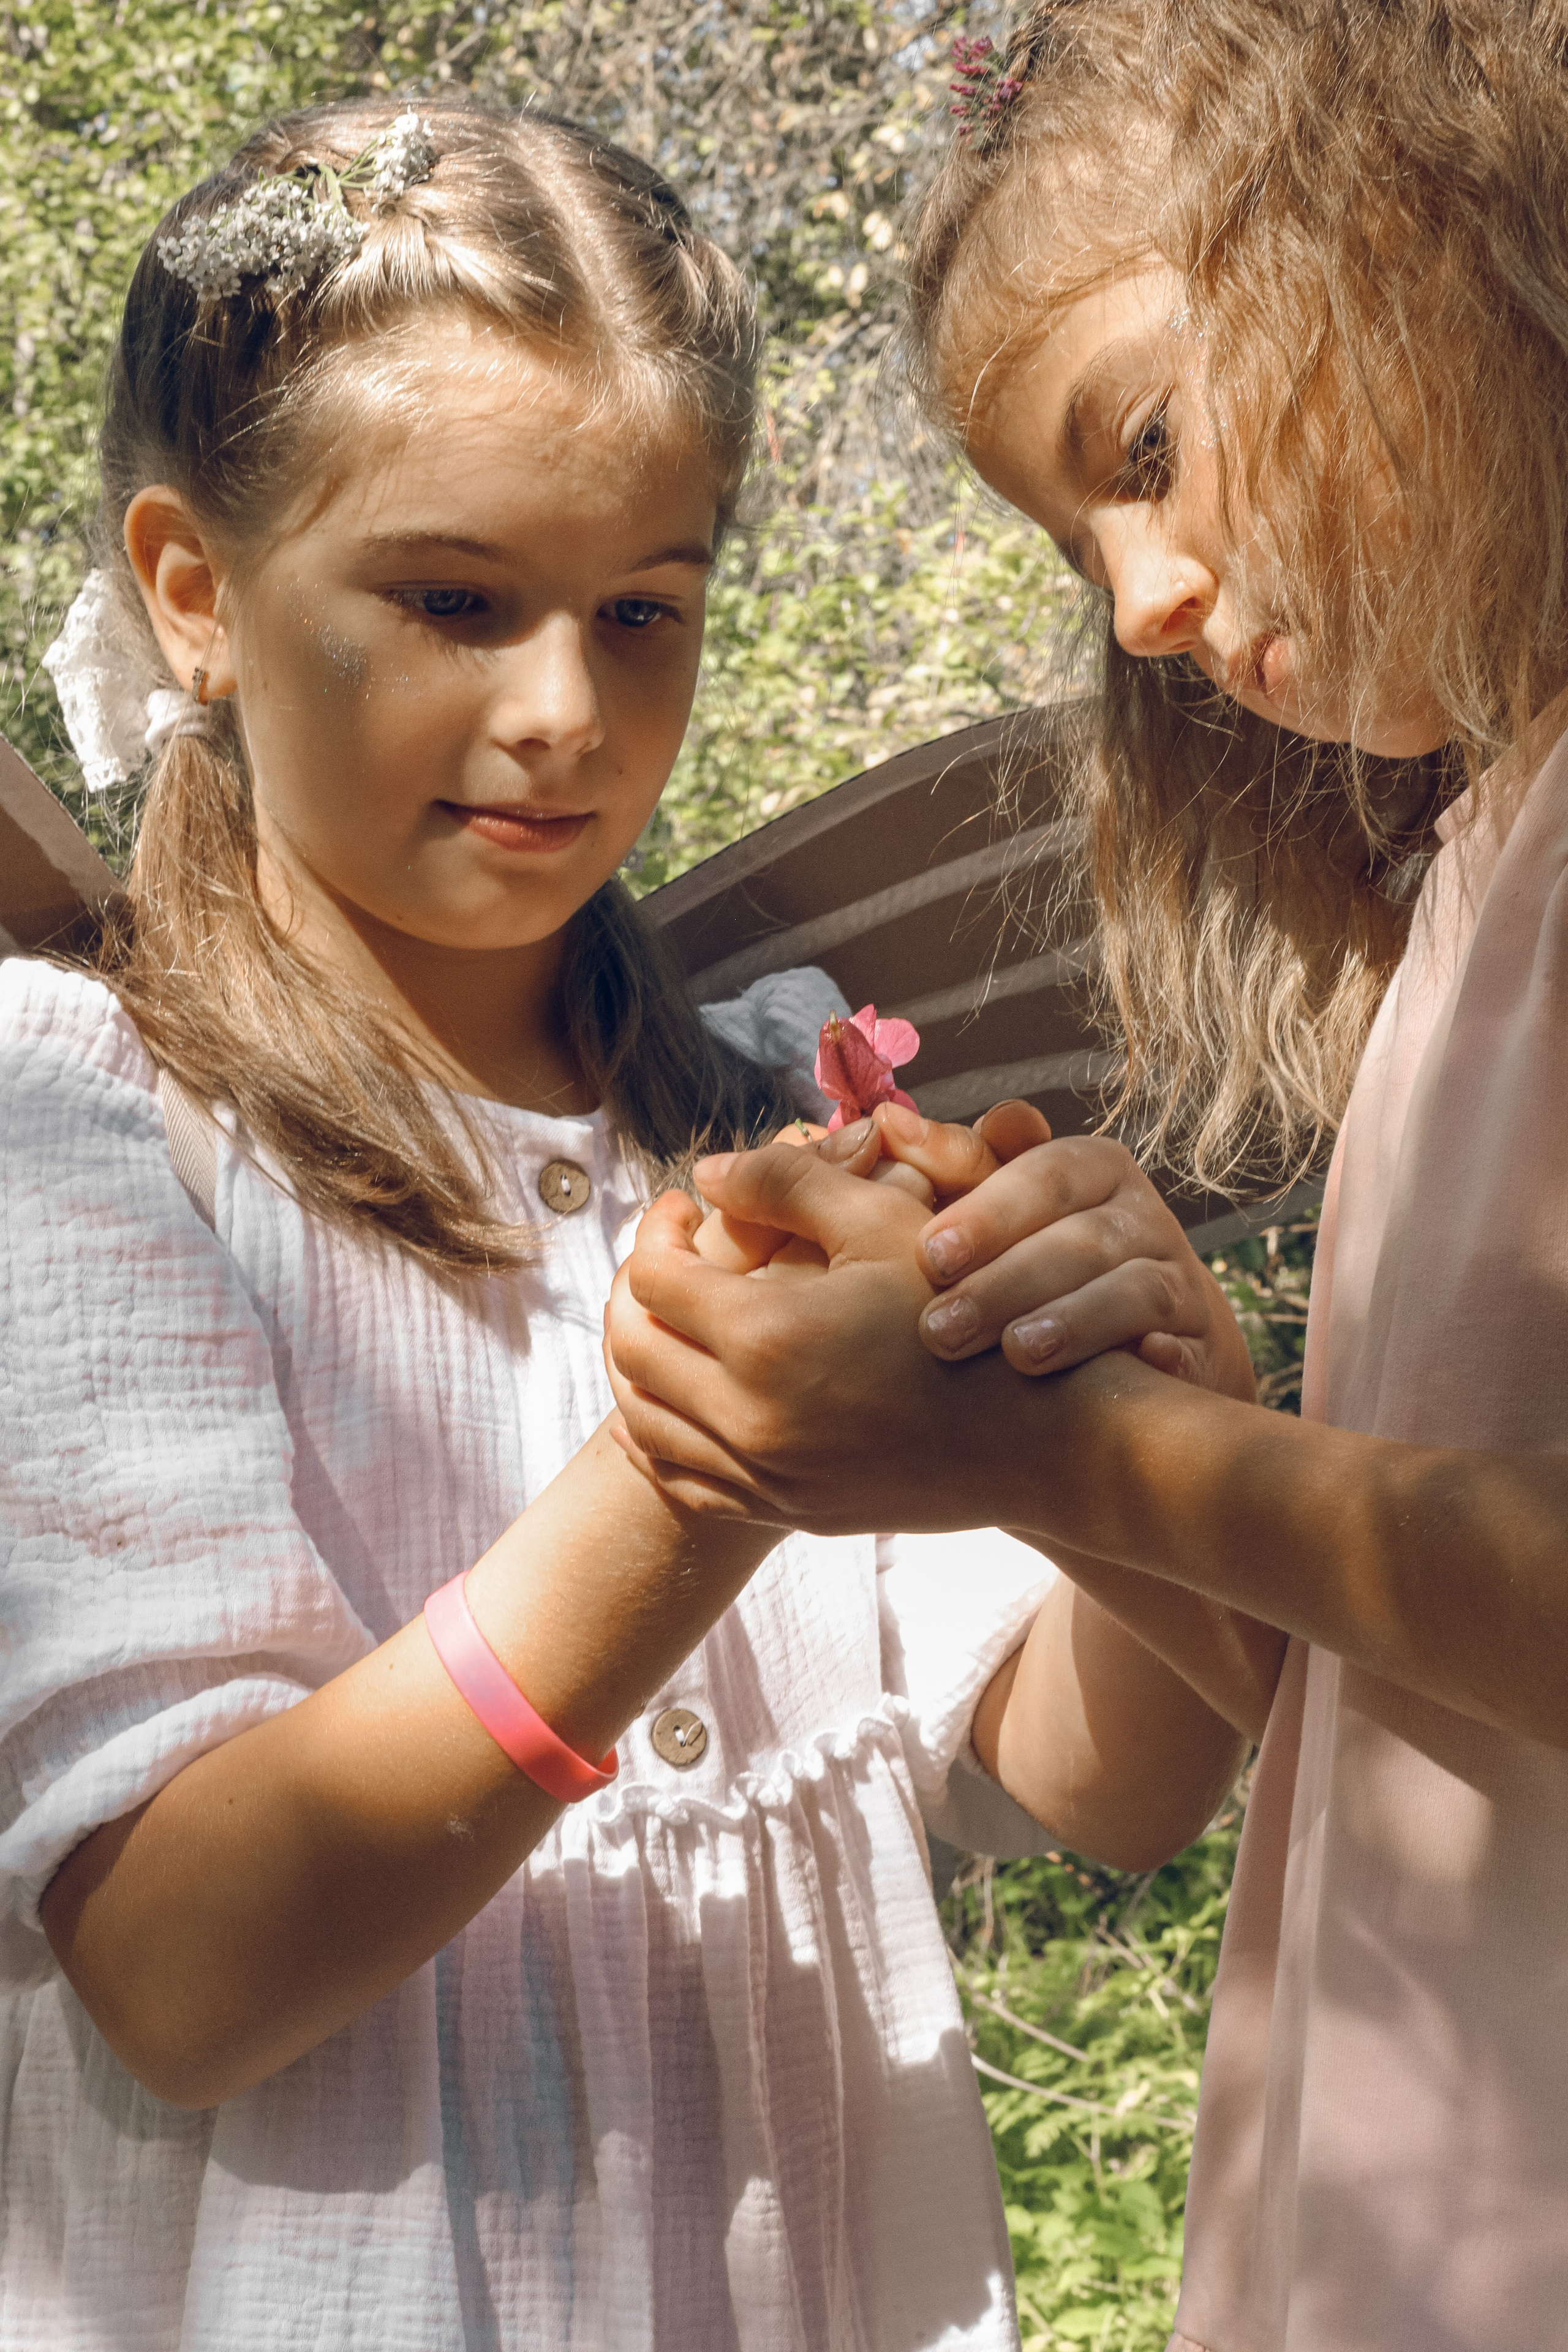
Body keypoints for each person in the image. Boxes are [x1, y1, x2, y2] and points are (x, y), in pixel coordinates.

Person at [0, 94, 1251, 2352]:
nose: (566, 711)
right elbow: (184, 1973)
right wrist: (696, 1473)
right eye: (452, 602)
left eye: (645, 611)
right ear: (196, 595)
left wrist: (1149, 1456)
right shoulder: (86, 1123)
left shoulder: (779, 1103)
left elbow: (1085, 1786)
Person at [603, 7, 1568, 2350]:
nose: (1142, 600)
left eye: (1147, 444)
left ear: (1433, 214)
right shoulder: (1477, 866)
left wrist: (1088, 1444)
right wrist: (1091, 1413)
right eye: (1085, 531)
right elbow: (1376, 1693)